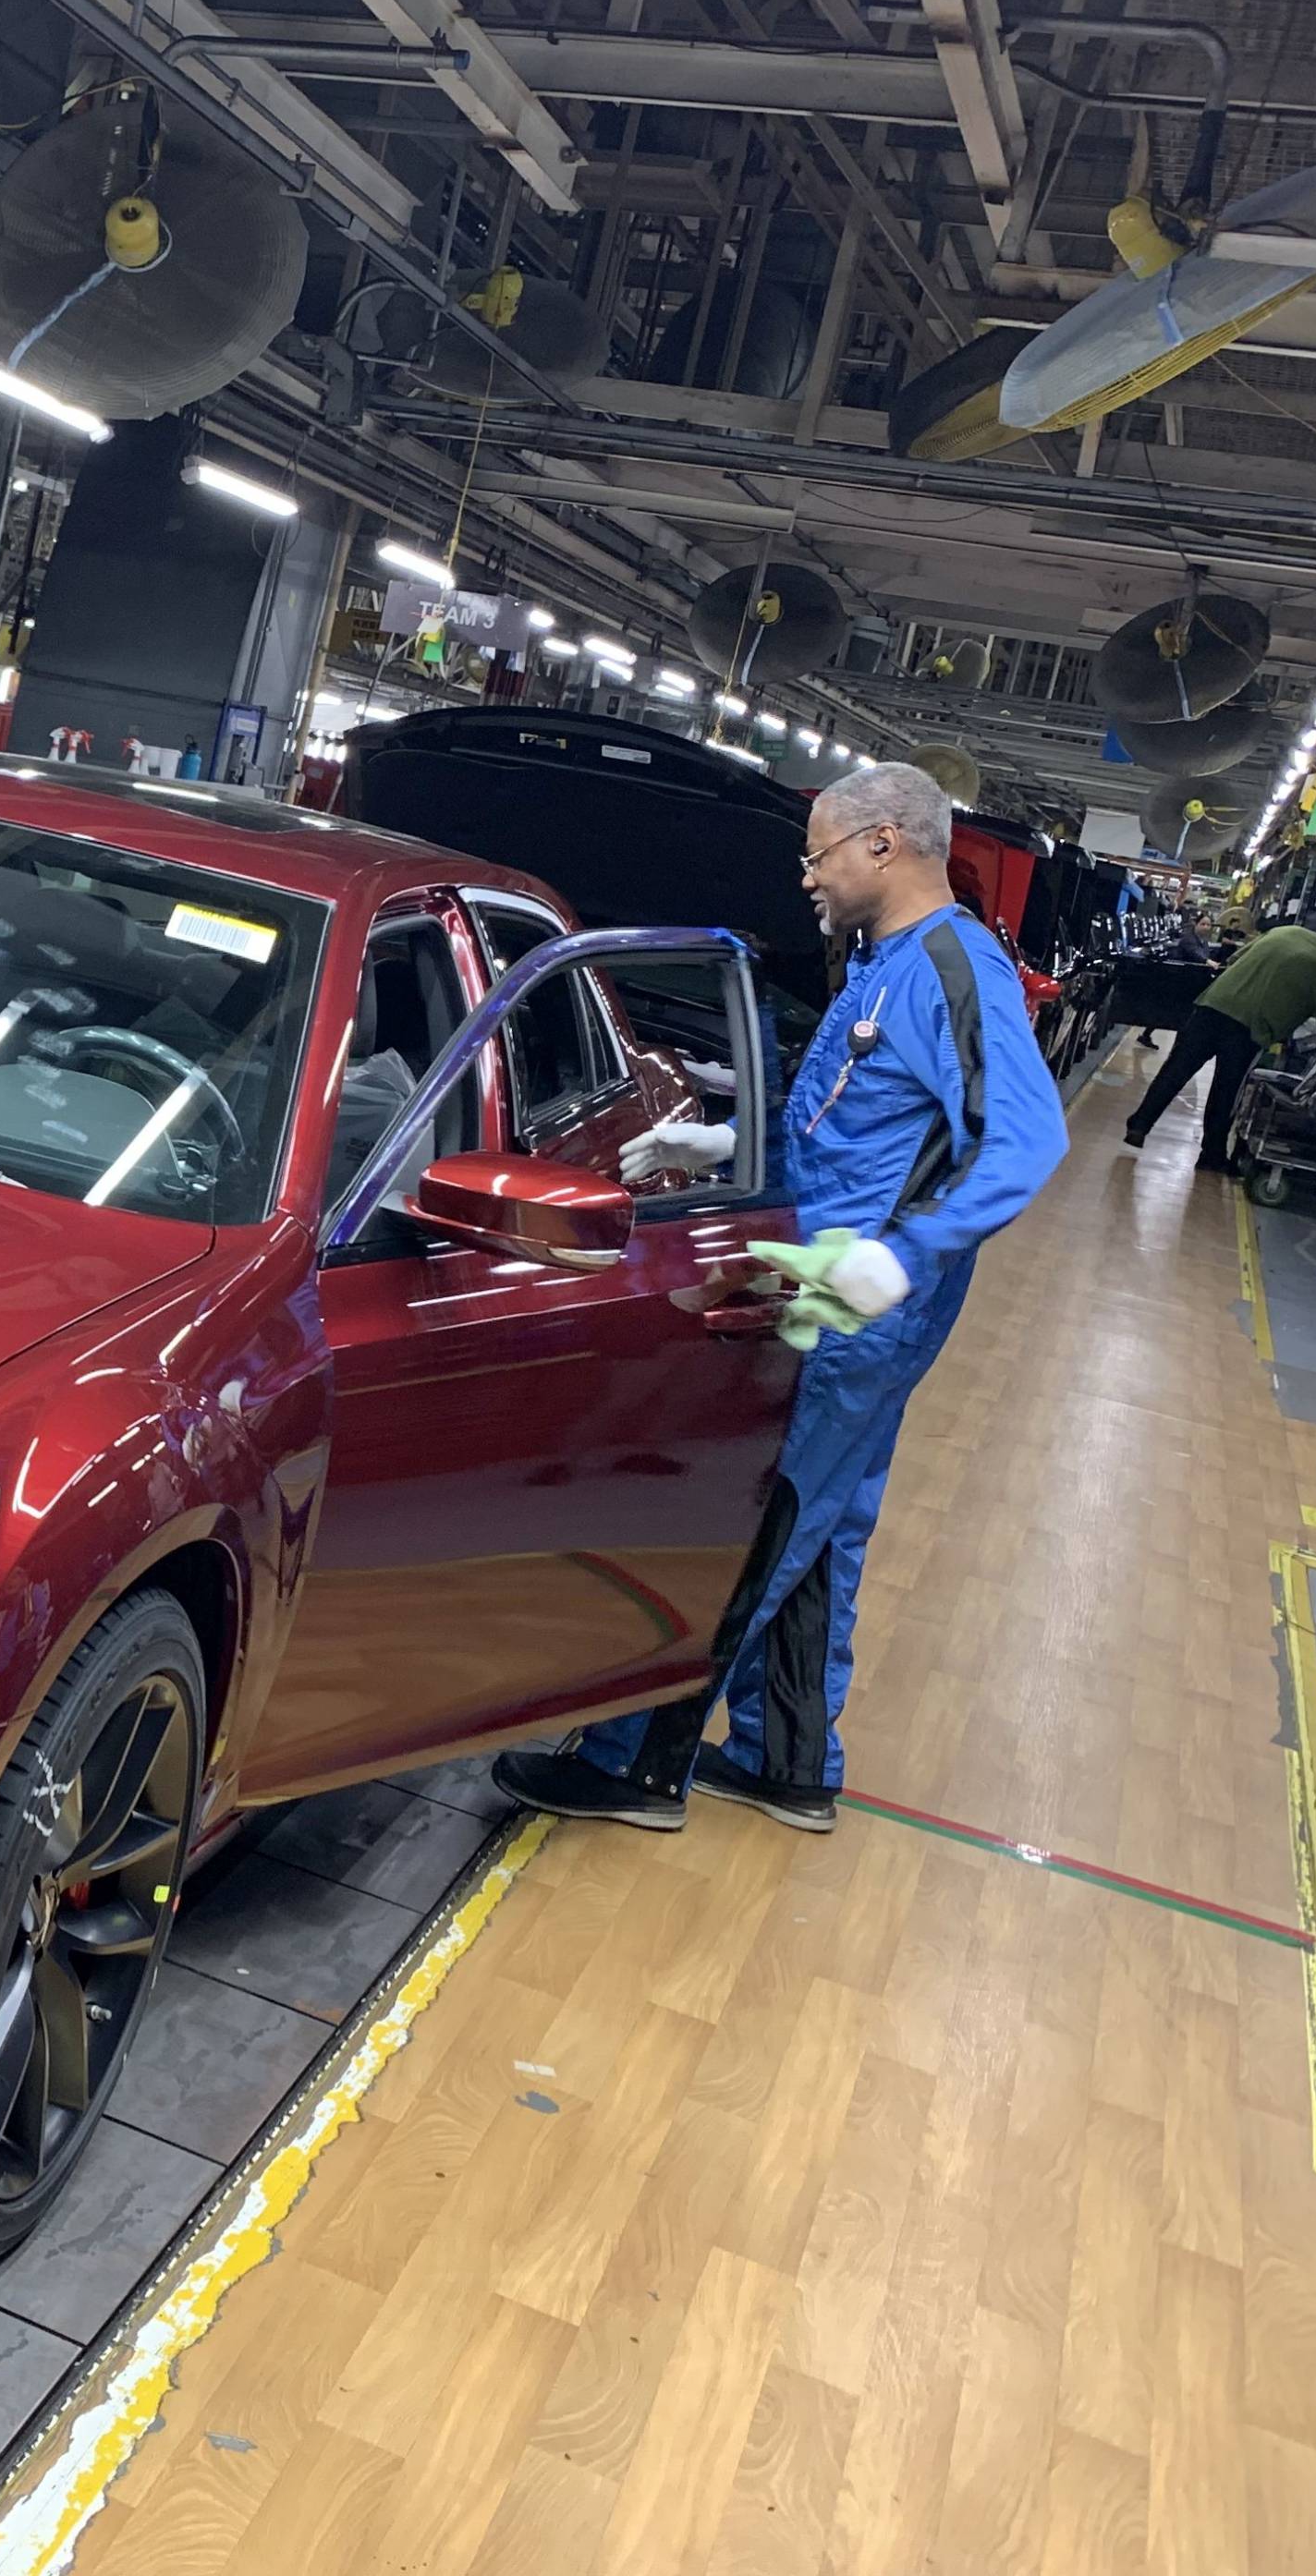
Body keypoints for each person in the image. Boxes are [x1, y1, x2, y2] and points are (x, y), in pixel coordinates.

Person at [494, 762, 1067, 1833]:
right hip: (832, 1284)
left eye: (818, 855)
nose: (806, 877)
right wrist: (726, 1140)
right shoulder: (882, 960)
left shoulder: (953, 967)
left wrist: (902, 1256)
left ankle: (638, 1760)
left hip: (850, 1305)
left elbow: (1024, 1141)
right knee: (823, 1522)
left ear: (883, 843)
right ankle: (786, 1758)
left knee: (756, 1519)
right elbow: (851, 1120)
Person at [1118, 917, 1316, 1173]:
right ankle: (1211, 1155)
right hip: (1248, 1028)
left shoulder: (1285, 931)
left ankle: (1139, 1125)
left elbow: (1234, 960)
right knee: (1226, 1091)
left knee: (1175, 1071)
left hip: (1212, 1007)